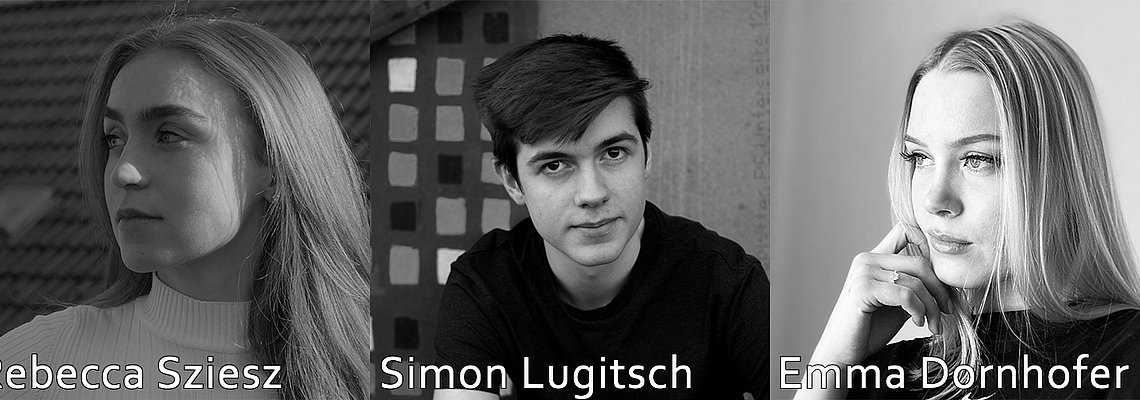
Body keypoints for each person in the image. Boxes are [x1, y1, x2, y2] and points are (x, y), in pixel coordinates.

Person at [0, 16, 370, 399]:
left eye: (169, 135)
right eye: (114, 139)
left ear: (274, 164)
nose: (123, 171)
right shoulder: (38, 366)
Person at [797, 21, 1140, 399]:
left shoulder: (1127, 362)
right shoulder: (889, 375)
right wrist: (832, 363)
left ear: (1059, 173)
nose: (934, 200)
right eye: (920, 157)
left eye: (977, 159)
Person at [431, 34, 769, 399]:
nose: (592, 194)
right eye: (555, 165)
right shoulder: (485, 285)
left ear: (646, 156)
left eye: (614, 153)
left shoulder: (726, 282)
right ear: (512, 181)